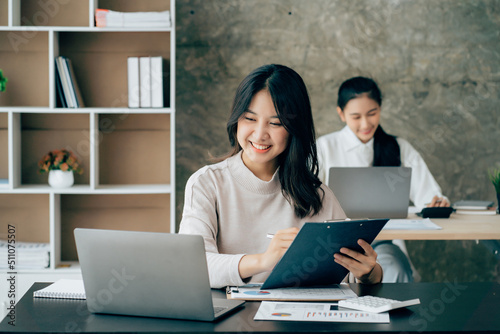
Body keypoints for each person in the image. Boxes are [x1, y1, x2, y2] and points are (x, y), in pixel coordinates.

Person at [179, 65, 383, 289]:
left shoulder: (317, 194)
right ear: (236, 119)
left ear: (294, 128)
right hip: (231, 318)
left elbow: (345, 273)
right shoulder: (207, 184)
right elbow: (194, 267)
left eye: (275, 123)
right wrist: (263, 260)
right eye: (249, 118)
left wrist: (370, 272)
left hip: (299, 320)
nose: (259, 134)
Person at [317, 76, 449, 283]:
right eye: (356, 116)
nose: (365, 123)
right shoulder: (324, 147)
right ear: (341, 114)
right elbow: (307, 200)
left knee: (392, 269)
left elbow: (429, 196)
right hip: (334, 244)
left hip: (384, 244)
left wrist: (436, 202)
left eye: (372, 113)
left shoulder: (398, 147)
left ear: (380, 108)